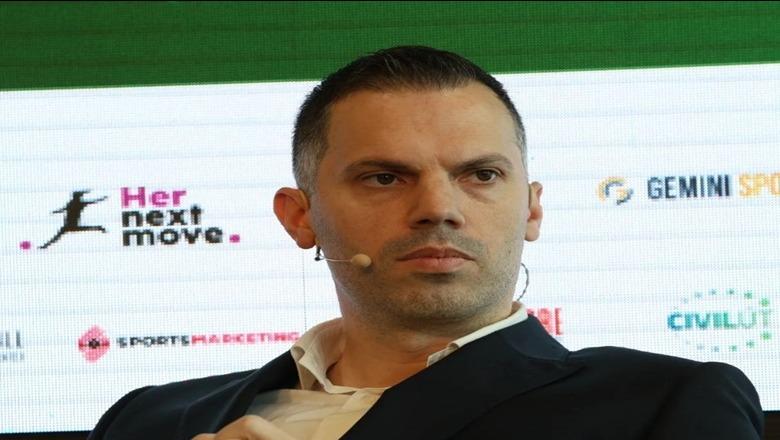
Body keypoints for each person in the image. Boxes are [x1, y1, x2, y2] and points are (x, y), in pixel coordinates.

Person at [88, 46, 764, 440]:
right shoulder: (150, 421)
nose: (438, 208)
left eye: (480, 175)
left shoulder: (662, 405)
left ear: (531, 209)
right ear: (299, 217)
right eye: (384, 177)